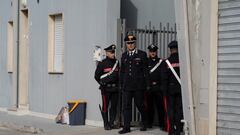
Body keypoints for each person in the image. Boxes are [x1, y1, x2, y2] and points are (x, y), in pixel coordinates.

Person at [118, 35, 148, 134]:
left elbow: (146, 71)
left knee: (140, 105)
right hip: (127, 86)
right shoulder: (124, 56)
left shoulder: (142, 54)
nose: (130, 45)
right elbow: (122, 71)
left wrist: (147, 85)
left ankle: (144, 122)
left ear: (135, 43)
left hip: (138, 86)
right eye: (128, 43)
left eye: (132, 43)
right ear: (126, 44)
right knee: (126, 106)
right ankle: (126, 127)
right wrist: (121, 84)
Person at [94, 44, 119, 130]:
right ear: (107, 53)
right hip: (106, 89)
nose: (113, 54)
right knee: (105, 106)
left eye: (113, 52)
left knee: (114, 106)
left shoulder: (117, 62)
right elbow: (96, 76)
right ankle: (106, 124)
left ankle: (111, 123)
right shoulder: (102, 63)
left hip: (115, 88)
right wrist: (102, 83)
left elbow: (118, 75)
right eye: (111, 52)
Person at [162, 41, 183, 135]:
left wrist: (164, 91)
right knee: (179, 110)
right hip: (180, 89)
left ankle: (171, 130)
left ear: (170, 50)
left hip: (170, 90)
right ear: (178, 49)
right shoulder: (183, 61)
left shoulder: (167, 62)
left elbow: (164, 78)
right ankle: (178, 130)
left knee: (170, 110)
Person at [146, 44, 166, 130]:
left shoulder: (161, 62)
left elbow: (163, 75)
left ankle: (162, 124)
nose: (152, 53)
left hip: (158, 87)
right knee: (149, 107)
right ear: (149, 52)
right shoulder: (146, 62)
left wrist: (162, 87)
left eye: (154, 51)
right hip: (149, 88)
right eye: (151, 51)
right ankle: (149, 123)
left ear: (156, 52)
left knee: (160, 107)